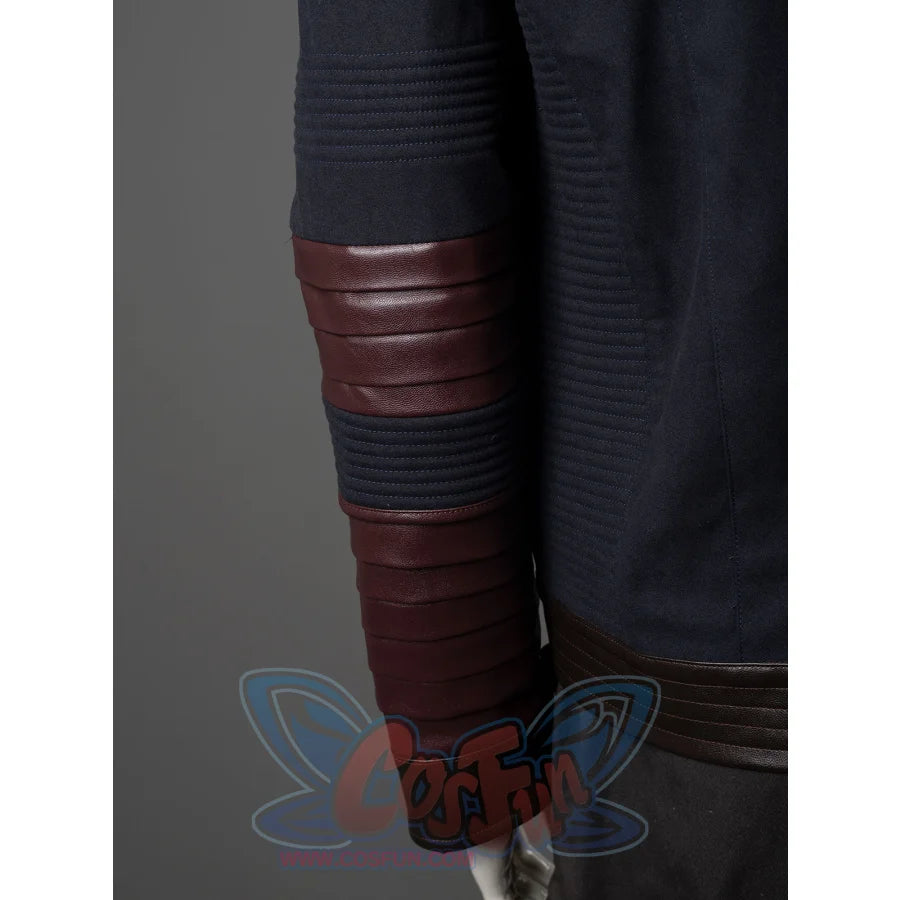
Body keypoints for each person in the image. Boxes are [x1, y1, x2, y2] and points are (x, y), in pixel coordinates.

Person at [288, 2, 787, 897]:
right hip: (726, 719)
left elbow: (395, 182)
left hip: (716, 703)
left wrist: (469, 757)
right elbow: (398, 182)